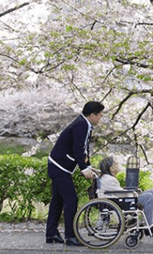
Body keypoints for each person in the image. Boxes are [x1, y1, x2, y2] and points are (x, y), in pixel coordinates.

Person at [45, 101, 105, 246]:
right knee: (71, 200)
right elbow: (78, 148)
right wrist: (83, 168)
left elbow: (84, 150)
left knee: (57, 201)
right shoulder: (81, 125)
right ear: (92, 115)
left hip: (58, 166)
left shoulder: (85, 124)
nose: (101, 117)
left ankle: (52, 233)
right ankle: (70, 236)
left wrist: (88, 165)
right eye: (100, 114)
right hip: (59, 167)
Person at [97, 156, 153, 235]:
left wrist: (134, 193)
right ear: (111, 168)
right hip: (122, 201)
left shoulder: (107, 178)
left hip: (119, 199)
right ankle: (149, 226)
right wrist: (134, 194)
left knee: (152, 192)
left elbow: (118, 192)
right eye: (116, 164)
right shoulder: (109, 179)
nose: (118, 165)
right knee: (149, 196)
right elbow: (122, 194)